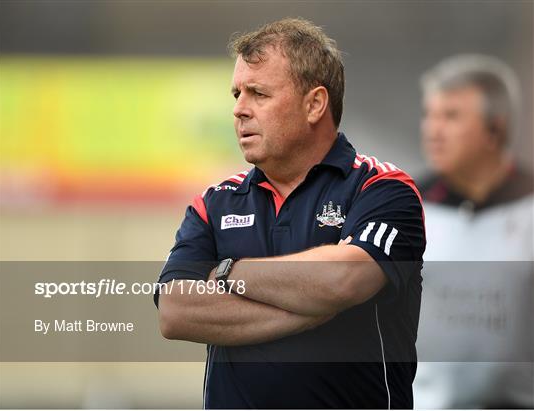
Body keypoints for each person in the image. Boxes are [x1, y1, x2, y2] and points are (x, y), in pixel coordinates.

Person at [155, 18, 425, 409]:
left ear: (314, 104)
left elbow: (343, 280)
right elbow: (175, 310)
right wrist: (306, 311)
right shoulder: (214, 203)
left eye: (258, 94)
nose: (240, 110)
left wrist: (228, 271)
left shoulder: (383, 189)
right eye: (237, 95)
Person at [413, 54, 534, 408]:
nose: (432, 130)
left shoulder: (528, 206)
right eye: (429, 115)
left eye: (450, 116)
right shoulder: (406, 206)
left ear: (495, 129)